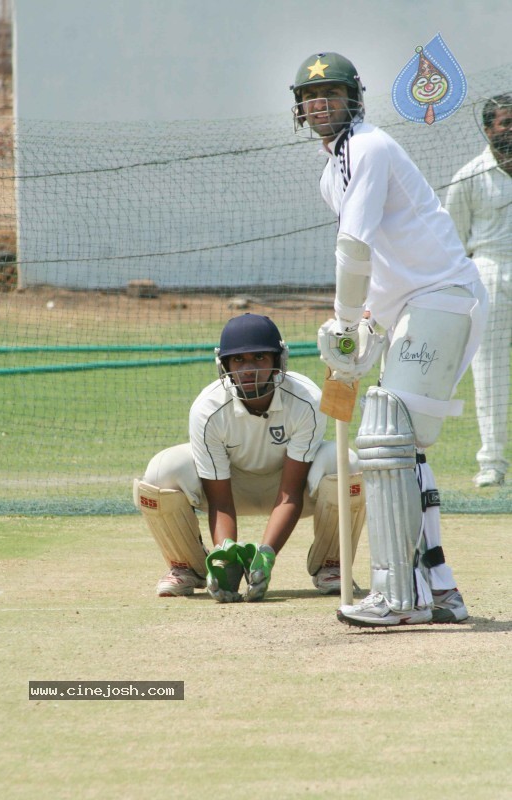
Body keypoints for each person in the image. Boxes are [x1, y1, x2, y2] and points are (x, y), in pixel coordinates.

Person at [290, 51, 489, 627]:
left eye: (331, 92)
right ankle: (440, 591)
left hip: (444, 296)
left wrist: (344, 321)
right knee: (402, 443)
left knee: (389, 436)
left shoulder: (369, 147)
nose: (320, 103)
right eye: (310, 96)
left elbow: (353, 247)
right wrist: (367, 332)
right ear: (299, 108)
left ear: (354, 97)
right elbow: (380, 264)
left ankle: (400, 597)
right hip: (414, 304)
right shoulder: (333, 169)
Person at [133, 313, 366, 603]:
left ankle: (332, 565)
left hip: (293, 488)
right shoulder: (207, 409)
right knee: (160, 471)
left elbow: (290, 494)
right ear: (224, 364)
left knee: (347, 462)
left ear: (279, 360)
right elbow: (220, 501)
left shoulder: (306, 399)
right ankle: (188, 567)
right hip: (231, 488)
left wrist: (266, 555)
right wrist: (226, 557)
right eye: (239, 360)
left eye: (259, 357)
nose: (249, 369)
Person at [445, 93, 512, 488]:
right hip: (490, 269)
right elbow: (453, 241)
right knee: (488, 370)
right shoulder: (468, 176)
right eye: (505, 122)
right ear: (488, 129)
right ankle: (492, 462)